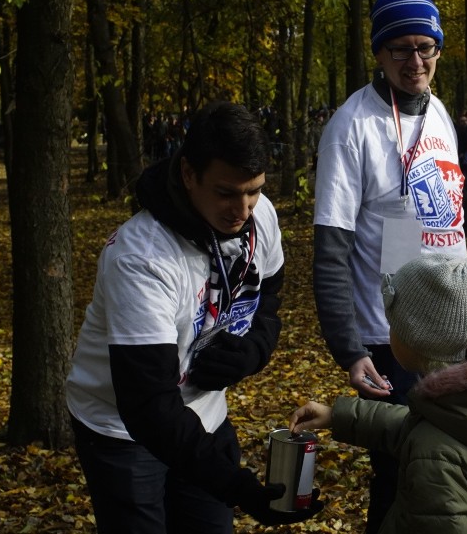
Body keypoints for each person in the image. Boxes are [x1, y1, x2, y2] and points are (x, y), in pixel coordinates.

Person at [65, 101, 322, 533]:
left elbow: (270, 293)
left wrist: (254, 350)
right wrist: (236, 487)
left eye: (253, 190)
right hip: (121, 429)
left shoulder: (261, 217)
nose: (242, 210)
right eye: (225, 192)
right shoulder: (142, 258)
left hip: (203, 415)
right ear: (188, 175)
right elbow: (148, 405)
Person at [312, 0, 467, 532]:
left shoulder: (442, 113)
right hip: (389, 336)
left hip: (448, 328)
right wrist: (349, 350)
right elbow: (330, 251)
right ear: (378, 53)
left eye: (426, 46)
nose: (415, 61)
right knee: (403, 470)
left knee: (444, 470)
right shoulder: (351, 127)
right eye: (399, 48)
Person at [291, 254, 467, 533]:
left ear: (415, 341)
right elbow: (415, 430)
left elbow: (430, 447)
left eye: (393, 325)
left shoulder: (436, 464)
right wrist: (337, 416)